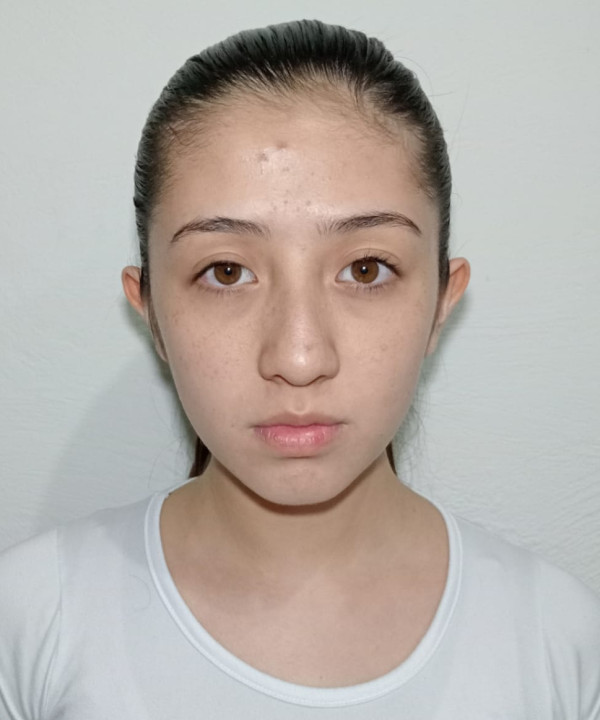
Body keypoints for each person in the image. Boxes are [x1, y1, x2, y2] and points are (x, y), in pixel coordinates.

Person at [1, 19, 599, 719]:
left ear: (442, 301)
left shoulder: (560, 644)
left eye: (366, 269)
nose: (299, 357)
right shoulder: (31, 620)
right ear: (151, 311)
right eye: (226, 272)